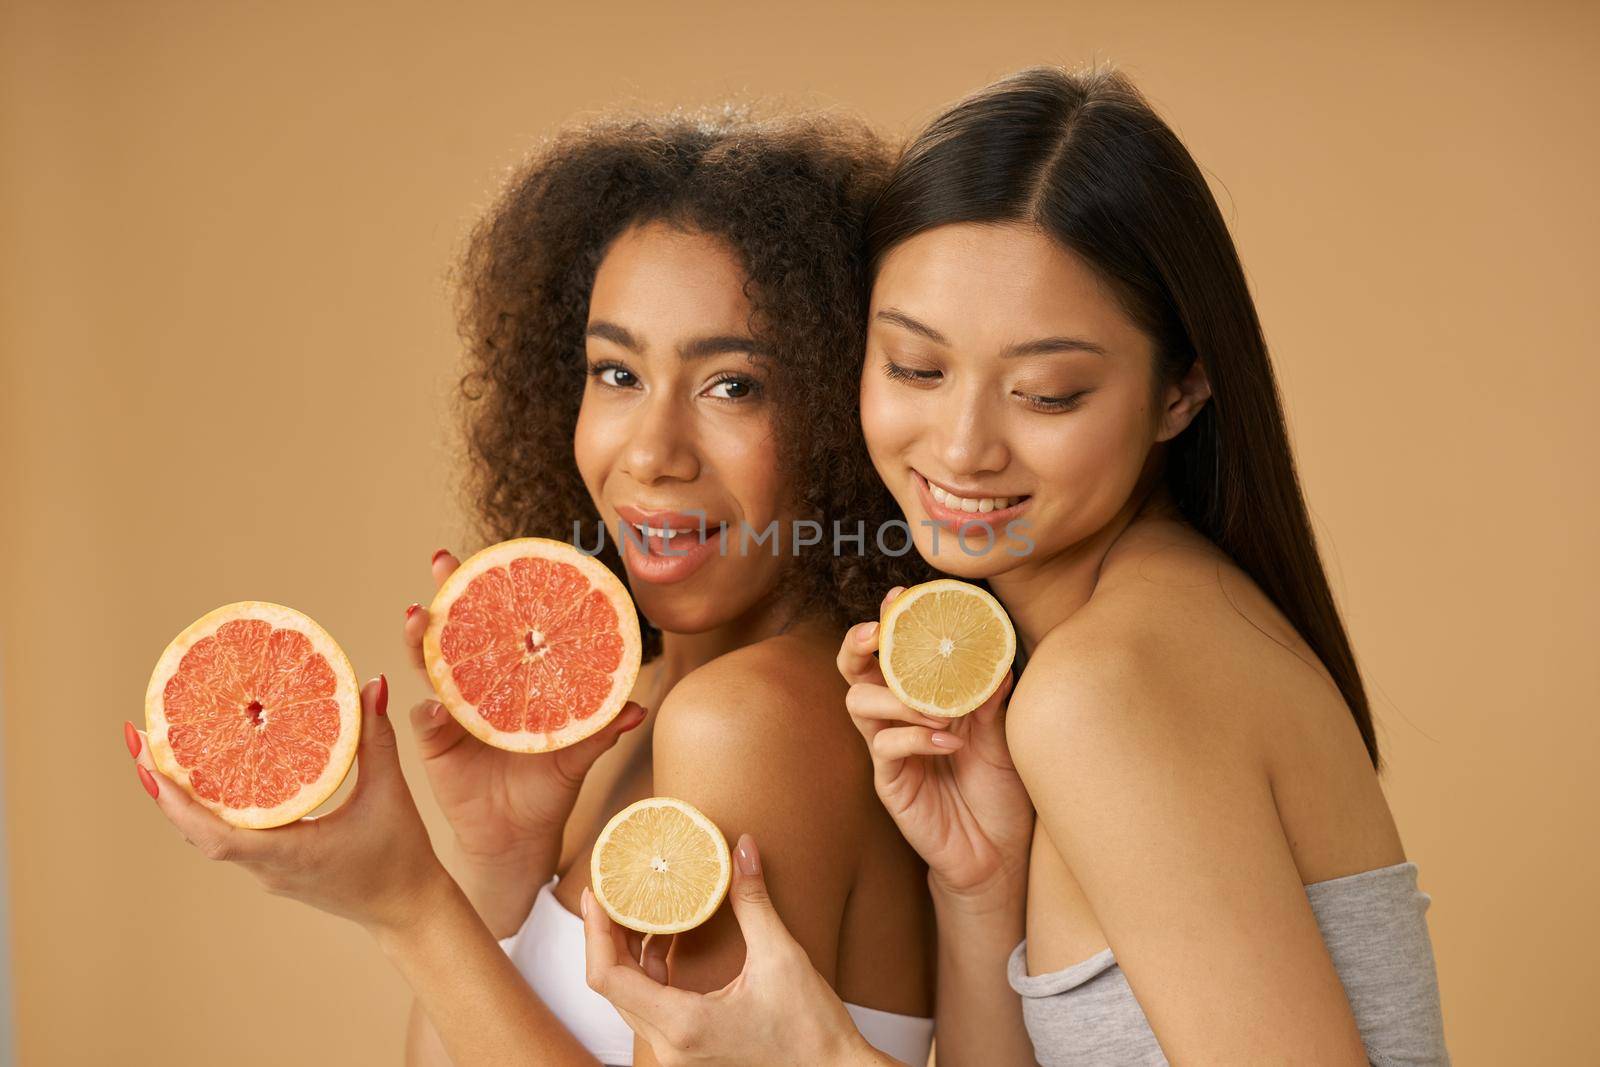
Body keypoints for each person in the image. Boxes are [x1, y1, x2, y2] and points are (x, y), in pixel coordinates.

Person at [584, 65, 1450, 1066]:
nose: (960, 447)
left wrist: (820, 1054)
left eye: (1044, 392)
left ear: (1180, 391)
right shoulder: (1135, 637)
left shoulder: (1108, 688)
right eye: (915, 367)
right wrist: (979, 885)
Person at [125, 108, 939, 1067]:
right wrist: (496, 865)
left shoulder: (745, 721)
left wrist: (408, 904)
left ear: (842, 411)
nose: (651, 452)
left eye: (733, 386)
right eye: (617, 371)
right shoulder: (639, 720)